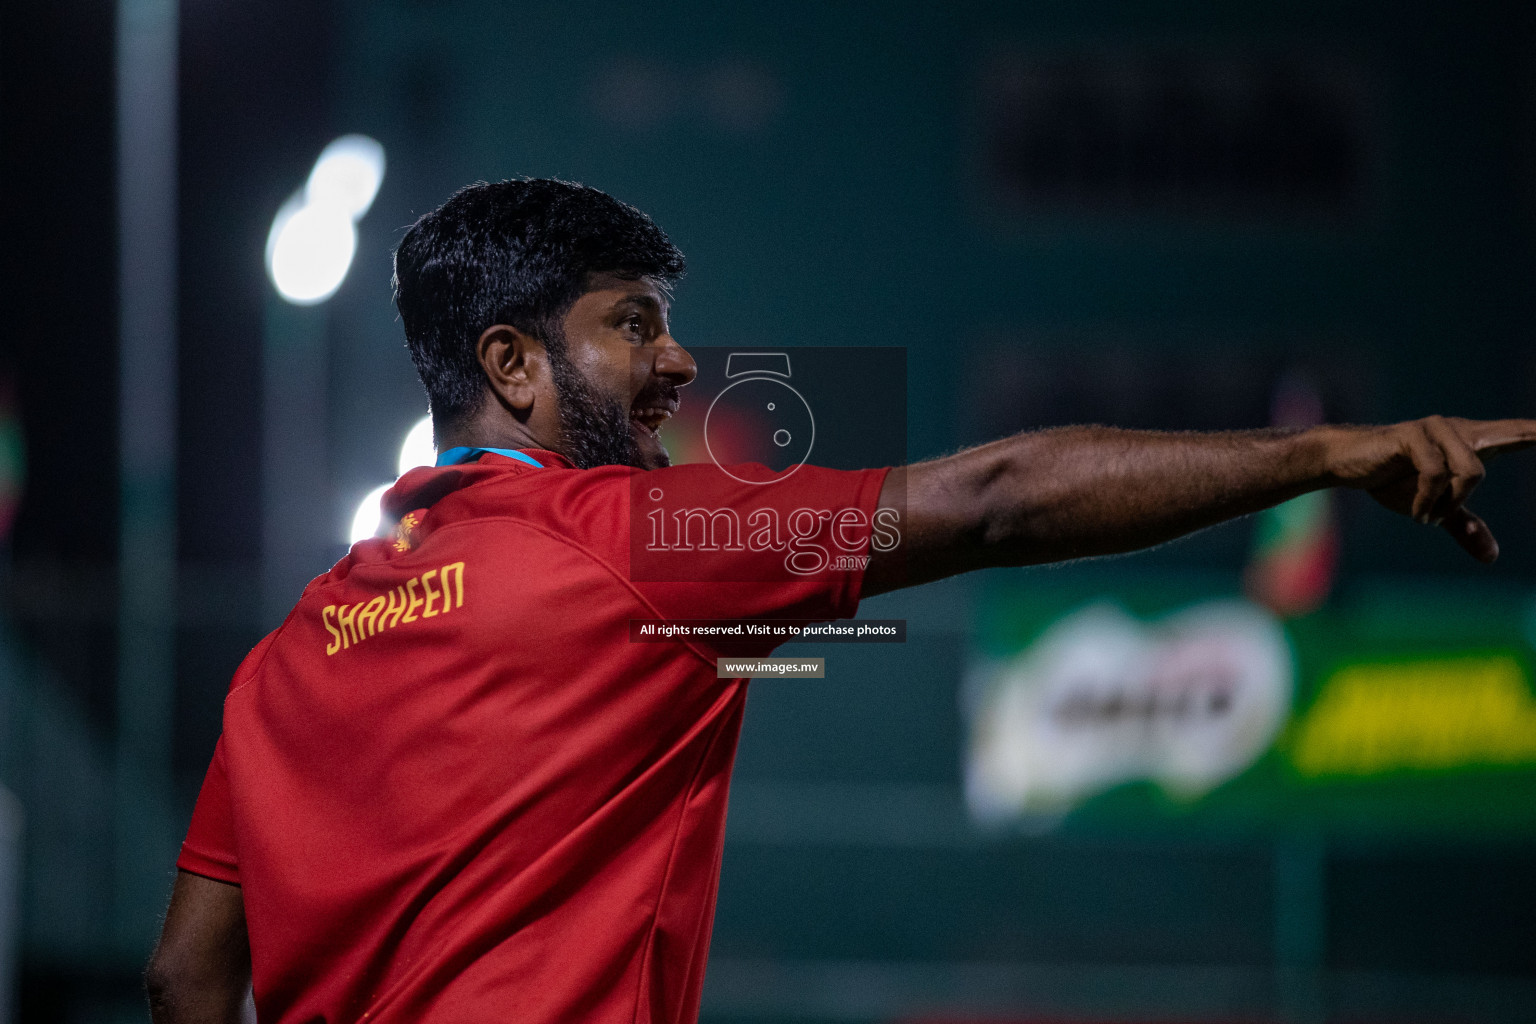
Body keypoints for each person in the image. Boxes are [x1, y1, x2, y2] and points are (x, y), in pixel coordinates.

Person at [144, 178, 1536, 1024]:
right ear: (511, 366)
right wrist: (1327, 456)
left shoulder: (283, 657)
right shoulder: (631, 543)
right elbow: (995, 498)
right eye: (632, 323)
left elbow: (186, 983)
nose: (680, 362)